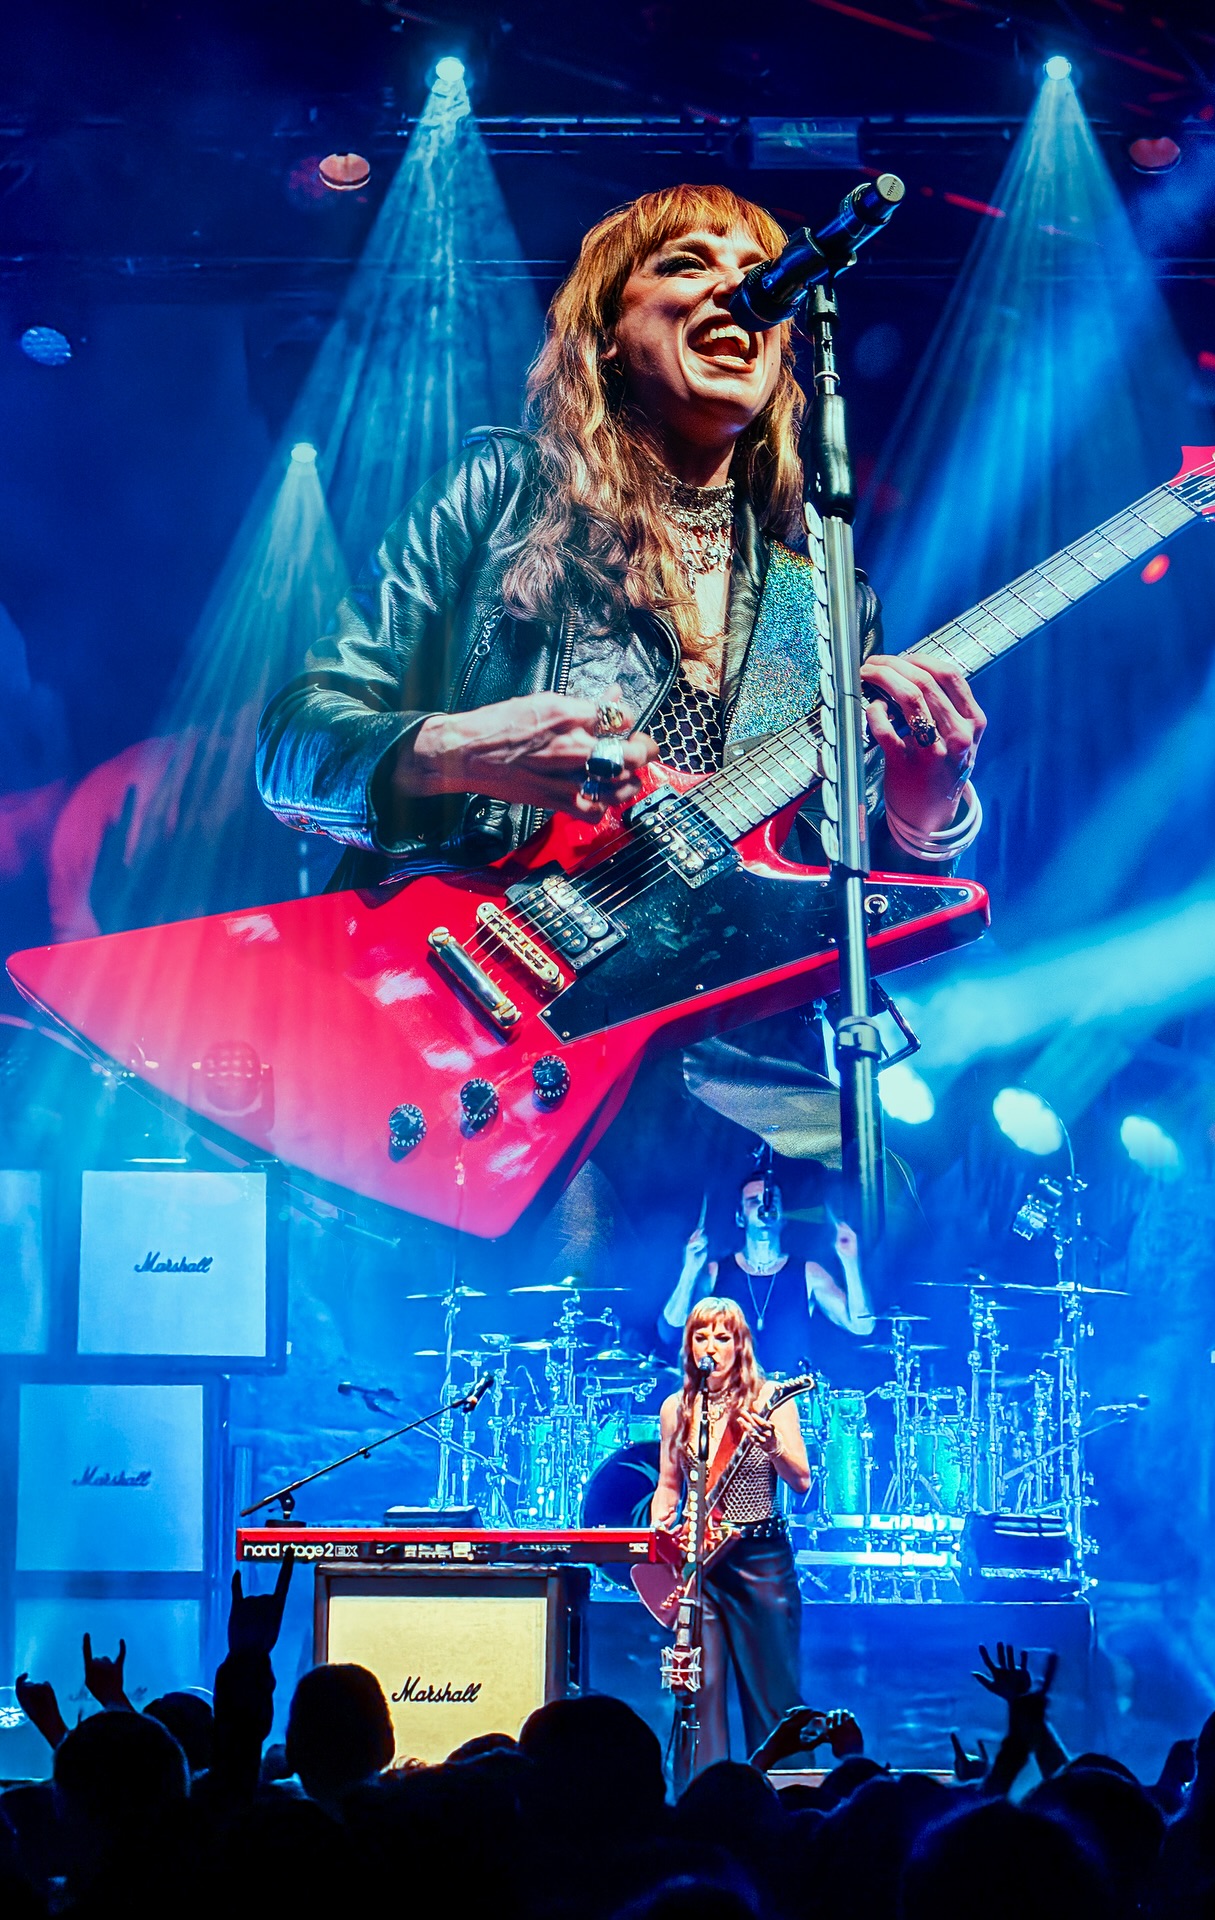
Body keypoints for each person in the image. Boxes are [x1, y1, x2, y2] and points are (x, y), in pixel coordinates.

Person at [256, 183, 986, 1249]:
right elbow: (293, 746)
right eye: (687, 264)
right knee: (568, 1266)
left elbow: (822, 901)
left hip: (710, 1049)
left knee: (897, 1225)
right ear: (606, 335)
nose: (736, 288)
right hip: (491, 1014)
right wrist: (459, 749)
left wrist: (925, 812)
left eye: (756, 274)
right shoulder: (502, 492)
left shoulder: (824, 599)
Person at [651, 1296, 811, 1772]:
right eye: (701, 1337)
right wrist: (661, 1524)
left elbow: (802, 1480)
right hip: (703, 1566)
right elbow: (668, 1485)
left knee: (774, 1696)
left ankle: (790, 1796)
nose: (711, 1347)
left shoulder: (769, 1398)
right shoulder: (677, 1408)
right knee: (700, 1691)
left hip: (760, 1560)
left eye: (722, 1337)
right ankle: (703, 1797)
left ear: (740, 1344)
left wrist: (774, 1445)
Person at [659, 1172, 874, 1369]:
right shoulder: (715, 1273)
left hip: (790, 1395)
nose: (764, 1210)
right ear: (740, 1217)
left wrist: (850, 1262)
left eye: (772, 1202)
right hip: (731, 1395)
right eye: (754, 1202)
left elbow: (862, 1326)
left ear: (783, 1216)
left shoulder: (809, 1273)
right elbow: (673, 1326)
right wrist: (689, 1271)